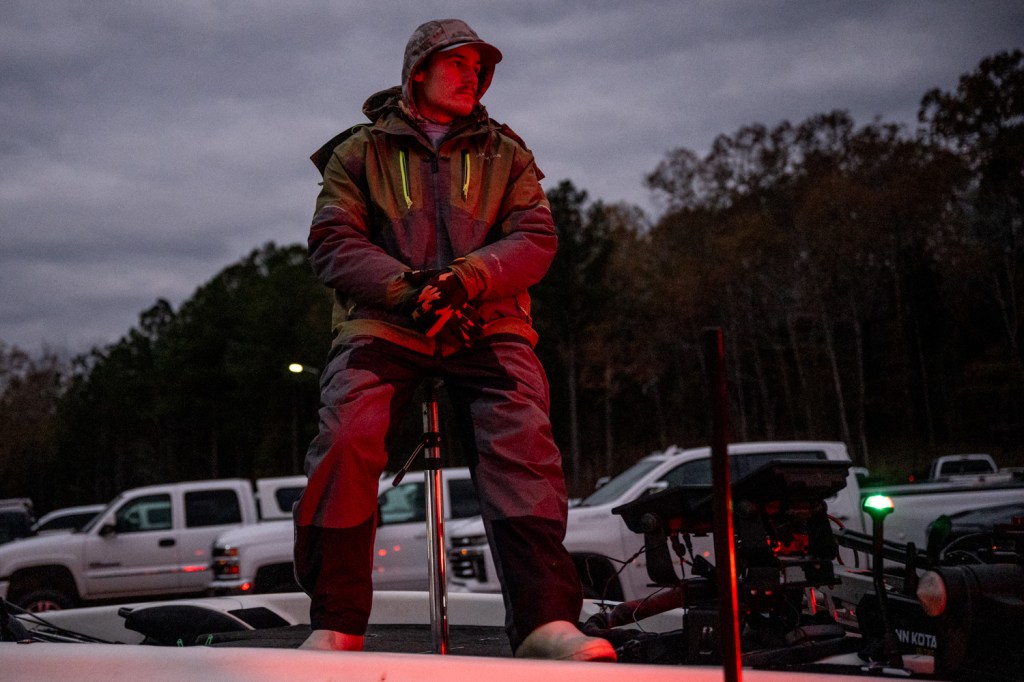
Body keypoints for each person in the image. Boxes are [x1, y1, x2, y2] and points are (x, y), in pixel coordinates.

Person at [292, 19, 616, 662]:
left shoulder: (507, 154)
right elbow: (333, 242)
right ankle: (337, 623)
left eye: (479, 66)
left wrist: (466, 281)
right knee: (348, 433)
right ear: (418, 72)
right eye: (457, 63)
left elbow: (535, 239)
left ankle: (546, 624)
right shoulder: (358, 152)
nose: (473, 75)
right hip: (385, 321)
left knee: (523, 438)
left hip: (486, 324)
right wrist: (411, 290)